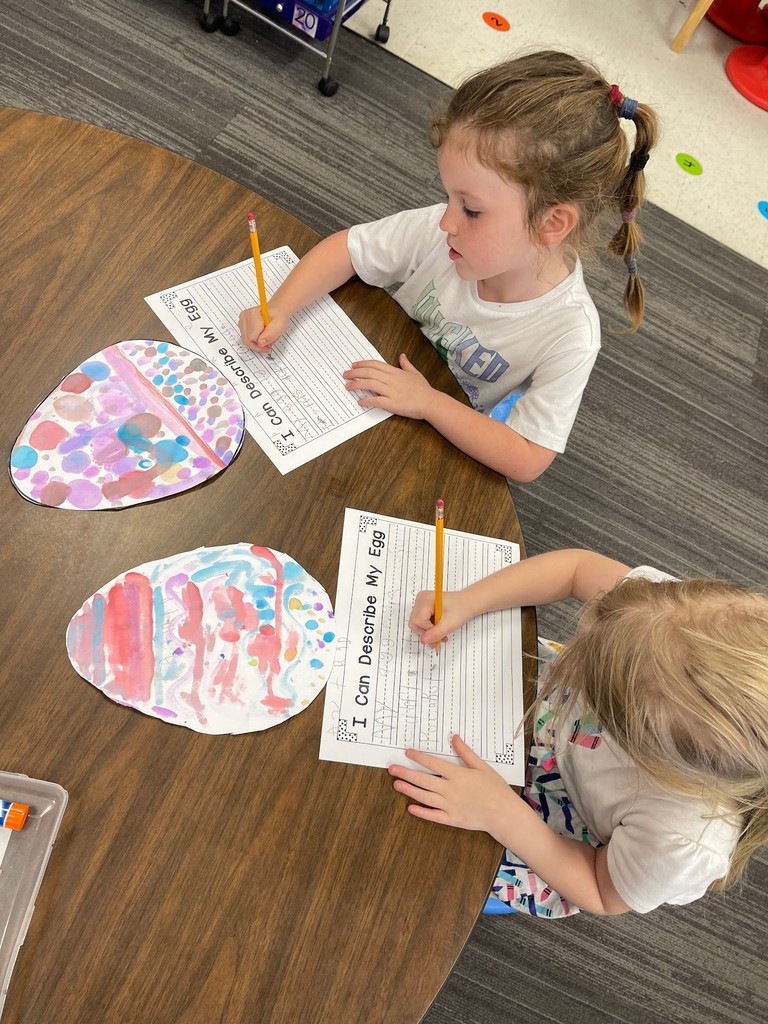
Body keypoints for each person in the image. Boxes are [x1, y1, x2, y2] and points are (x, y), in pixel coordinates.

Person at [238, 52, 659, 483]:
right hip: (358, 390)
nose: (446, 221)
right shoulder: (446, 233)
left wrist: (429, 402)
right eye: (450, 198)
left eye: (471, 209)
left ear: (551, 223)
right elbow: (348, 248)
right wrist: (282, 307)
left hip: (427, 444)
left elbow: (528, 457)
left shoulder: (571, 334)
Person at [390, 549, 768, 917]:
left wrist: (501, 815)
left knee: (416, 857)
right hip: (551, 716)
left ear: (637, 742)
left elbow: (603, 891)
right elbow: (576, 569)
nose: (578, 649)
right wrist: (470, 600)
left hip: (565, 833)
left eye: (592, 678)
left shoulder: (684, 839)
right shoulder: (672, 618)